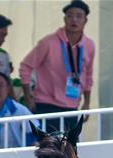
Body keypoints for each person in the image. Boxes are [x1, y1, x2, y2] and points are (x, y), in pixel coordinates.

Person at [19, 0, 95, 134]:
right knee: (49, 148)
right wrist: (28, 97)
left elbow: (88, 76)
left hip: (72, 105)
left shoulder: (89, 45)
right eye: (70, 15)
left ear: (85, 20)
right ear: (64, 19)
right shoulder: (48, 42)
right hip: (46, 104)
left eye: (79, 16)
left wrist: (87, 103)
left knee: (69, 149)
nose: (74, 19)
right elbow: (25, 66)